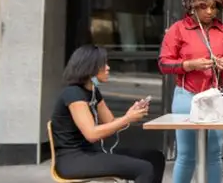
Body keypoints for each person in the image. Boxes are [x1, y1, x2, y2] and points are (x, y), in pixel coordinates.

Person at [159, 0, 223, 183]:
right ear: (192, 7)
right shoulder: (178, 29)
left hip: (216, 97)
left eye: (214, 7)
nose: (209, 12)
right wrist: (189, 65)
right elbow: (164, 63)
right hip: (186, 95)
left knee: (214, 154)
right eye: (203, 7)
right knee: (187, 155)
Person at [50, 45, 165, 183]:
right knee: (144, 168)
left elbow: (110, 123)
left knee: (156, 157)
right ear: (89, 67)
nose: (108, 68)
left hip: (92, 153)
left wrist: (129, 115)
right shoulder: (73, 94)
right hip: (73, 160)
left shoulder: (93, 92)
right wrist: (127, 118)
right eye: (103, 64)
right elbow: (92, 134)